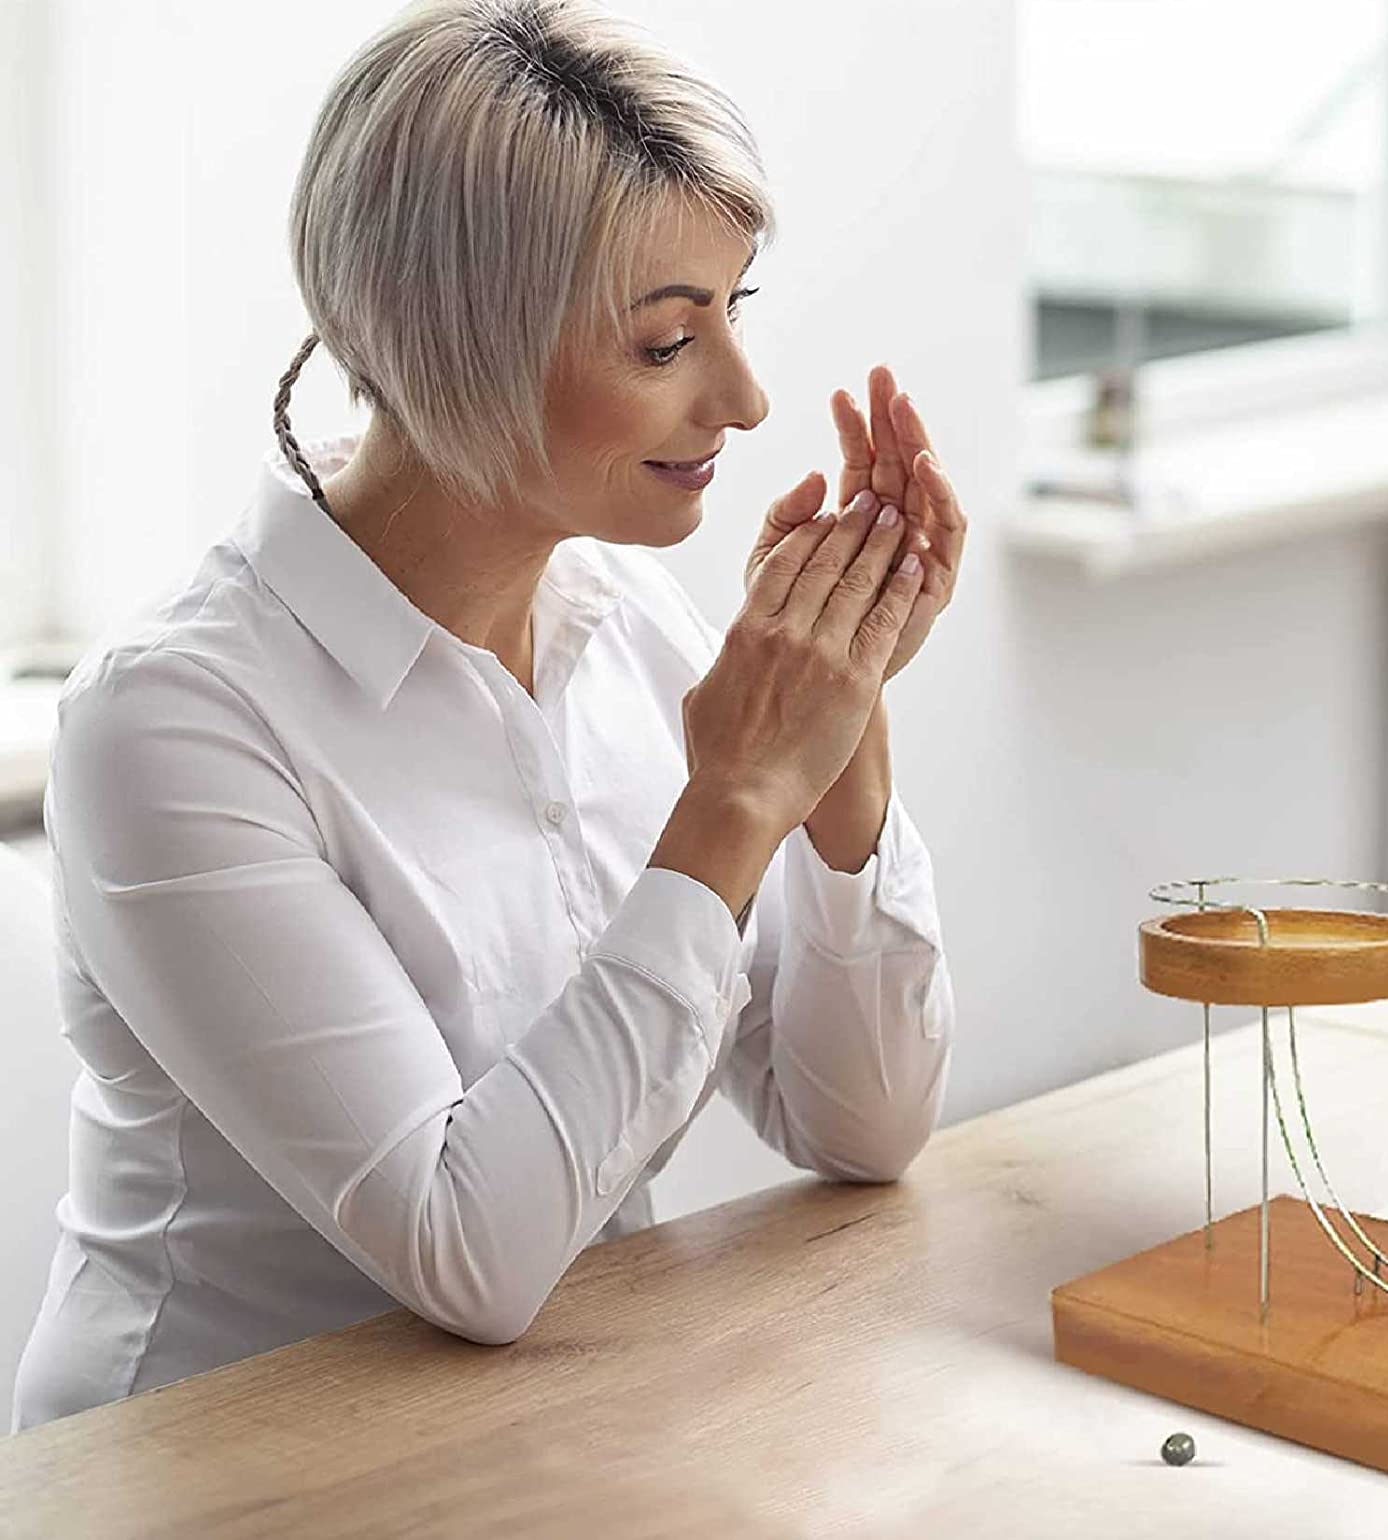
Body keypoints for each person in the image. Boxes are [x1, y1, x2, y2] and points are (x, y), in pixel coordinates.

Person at [11, 0, 968, 1430]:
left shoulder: (635, 633)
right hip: (216, 1477)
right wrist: (734, 804)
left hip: (555, 1435)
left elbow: (863, 1126)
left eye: (733, 315)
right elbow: (473, 1253)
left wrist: (840, 729)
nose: (748, 400)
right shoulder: (172, 726)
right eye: (664, 344)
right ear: (461, 343)